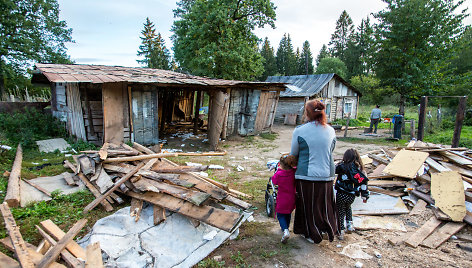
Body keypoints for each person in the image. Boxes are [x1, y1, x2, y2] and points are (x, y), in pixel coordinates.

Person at [290, 99, 338, 244]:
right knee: (325, 204)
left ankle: (311, 233)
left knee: (308, 206)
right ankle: (326, 229)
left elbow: (294, 153)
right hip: (327, 175)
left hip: (306, 175)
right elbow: (331, 150)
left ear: (307, 113)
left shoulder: (300, 131)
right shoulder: (330, 130)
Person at [335, 149, 369, 240]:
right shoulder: (359, 169)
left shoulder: (342, 167)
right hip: (351, 195)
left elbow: (333, 170)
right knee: (348, 207)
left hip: (341, 193)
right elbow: (363, 183)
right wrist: (364, 196)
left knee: (340, 211)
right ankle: (349, 225)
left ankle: (340, 230)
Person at [271, 154, 297, 243]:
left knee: (280, 215)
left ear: (281, 165)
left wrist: (278, 170)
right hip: (292, 198)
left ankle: (285, 230)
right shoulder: (293, 172)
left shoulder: (279, 173)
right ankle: (287, 227)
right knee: (288, 213)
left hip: (282, 198)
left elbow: (274, 181)